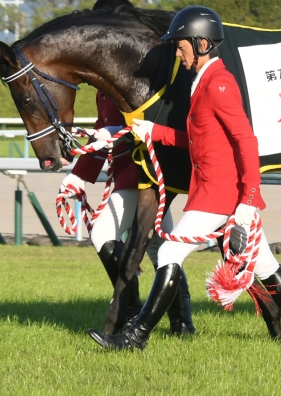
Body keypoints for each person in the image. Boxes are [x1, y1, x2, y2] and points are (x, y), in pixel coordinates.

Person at [87, 5, 281, 351]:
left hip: (220, 195)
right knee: (265, 265)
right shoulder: (203, 81)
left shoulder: (220, 84)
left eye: (181, 46)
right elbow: (198, 139)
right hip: (214, 193)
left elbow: (245, 140)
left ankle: (135, 337)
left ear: (201, 44)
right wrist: (154, 132)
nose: (178, 53)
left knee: (168, 252)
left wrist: (250, 198)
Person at [60, 89, 195, 336]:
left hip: (142, 172)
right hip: (137, 173)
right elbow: (104, 128)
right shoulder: (103, 88)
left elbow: (127, 126)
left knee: (103, 234)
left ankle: (132, 310)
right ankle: (182, 322)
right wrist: (78, 175)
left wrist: (111, 134)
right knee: (160, 247)